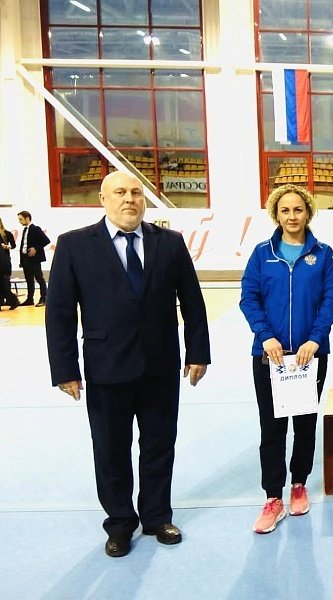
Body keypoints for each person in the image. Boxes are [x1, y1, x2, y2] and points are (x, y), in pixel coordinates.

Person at [45, 171, 211, 558]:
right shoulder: (74, 245)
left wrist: (198, 352)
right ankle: (120, 523)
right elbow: (60, 313)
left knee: (159, 446)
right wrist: (65, 370)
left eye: (136, 192)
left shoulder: (169, 243)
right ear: (103, 200)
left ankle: (156, 516)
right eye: (119, 192)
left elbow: (192, 301)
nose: (129, 199)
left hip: (160, 365)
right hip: (106, 367)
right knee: (110, 450)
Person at [240, 184, 333, 534]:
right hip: (269, 357)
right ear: (276, 214)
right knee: (272, 428)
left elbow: (331, 300)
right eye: (285, 210)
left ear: (308, 213)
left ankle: (299, 483)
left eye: (298, 209)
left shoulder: (323, 255)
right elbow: (249, 298)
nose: (292, 216)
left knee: (304, 424)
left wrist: (315, 340)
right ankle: (273, 497)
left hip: (310, 357)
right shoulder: (261, 253)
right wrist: (265, 336)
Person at [16, 210, 50, 306]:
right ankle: (30, 299)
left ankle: (44, 298)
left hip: (34, 259)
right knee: (29, 280)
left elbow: (46, 240)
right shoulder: (25, 230)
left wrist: (36, 248)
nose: (19, 221)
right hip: (26, 259)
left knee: (39, 278)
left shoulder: (35, 229)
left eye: (21, 219)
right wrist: (21, 260)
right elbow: (23, 245)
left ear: (27, 218)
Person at [0, 217, 20, 310]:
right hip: (4, 260)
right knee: (3, 284)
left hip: (3, 262)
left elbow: (13, 245)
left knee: (5, 284)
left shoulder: (7, 234)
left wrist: (8, 247)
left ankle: (13, 300)